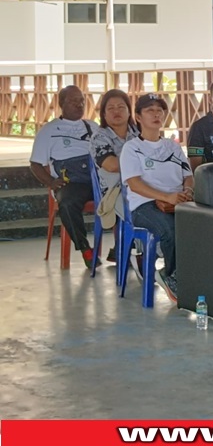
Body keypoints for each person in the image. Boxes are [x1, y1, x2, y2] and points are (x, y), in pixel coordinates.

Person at [120, 94, 194, 303]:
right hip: (144, 205)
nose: (156, 114)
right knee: (170, 229)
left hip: (176, 200)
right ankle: (172, 278)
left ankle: (193, 278)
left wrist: (187, 192)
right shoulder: (132, 148)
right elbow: (134, 184)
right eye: (149, 110)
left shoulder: (173, 147)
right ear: (138, 117)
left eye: (160, 110)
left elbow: (188, 176)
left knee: (203, 224)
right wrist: (165, 197)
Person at [29, 85, 99, 268]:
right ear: (61, 104)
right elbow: (35, 164)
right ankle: (85, 249)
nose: (79, 105)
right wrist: (51, 182)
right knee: (67, 204)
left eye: (82, 101)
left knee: (127, 197)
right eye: (73, 101)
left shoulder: (93, 127)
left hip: (98, 180)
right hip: (71, 182)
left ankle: (122, 250)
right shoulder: (49, 130)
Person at [89, 89, 140, 262]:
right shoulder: (99, 137)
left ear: (128, 110)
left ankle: (137, 249)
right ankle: (138, 252)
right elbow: (111, 165)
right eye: (110, 108)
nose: (116, 111)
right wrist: (145, 162)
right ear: (103, 113)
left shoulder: (139, 132)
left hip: (143, 184)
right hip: (114, 190)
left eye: (121, 107)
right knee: (140, 205)